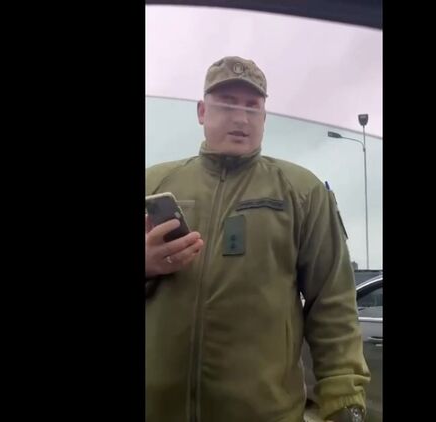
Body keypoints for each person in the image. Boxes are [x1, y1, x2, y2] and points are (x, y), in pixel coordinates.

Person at [145, 56, 370, 422]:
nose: (241, 118)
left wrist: (344, 402)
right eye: (227, 104)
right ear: (202, 111)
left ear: (264, 117)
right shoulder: (154, 185)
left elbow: (332, 303)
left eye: (252, 107)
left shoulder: (302, 192)